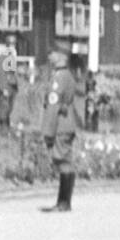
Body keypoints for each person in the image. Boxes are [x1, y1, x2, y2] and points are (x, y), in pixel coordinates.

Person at [39, 49, 78, 212]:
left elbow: (53, 106)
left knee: (62, 161)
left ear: (61, 56)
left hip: (60, 125)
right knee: (67, 161)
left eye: (53, 52)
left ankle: (63, 202)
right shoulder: (69, 75)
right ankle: (65, 201)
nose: (49, 56)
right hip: (68, 122)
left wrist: (48, 132)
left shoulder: (58, 78)